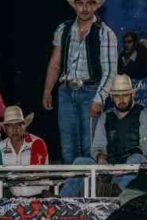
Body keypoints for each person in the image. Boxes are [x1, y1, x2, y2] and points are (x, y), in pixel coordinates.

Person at [43, 0, 117, 164]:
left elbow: (110, 71)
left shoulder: (105, 33)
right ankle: (74, 188)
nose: (85, 8)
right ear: (74, 5)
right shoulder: (64, 29)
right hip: (66, 91)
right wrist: (48, 90)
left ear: (96, 6)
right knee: (68, 147)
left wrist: (99, 98)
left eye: (90, 3)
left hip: (90, 91)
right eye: (80, 3)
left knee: (89, 146)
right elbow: (55, 63)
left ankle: (89, 188)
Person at [60, 75, 147, 197]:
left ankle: (118, 194)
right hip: (111, 166)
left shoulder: (146, 115)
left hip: (134, 169)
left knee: (137, 159)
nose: (121, 99)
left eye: (125, 95)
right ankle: (60, 199)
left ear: (132, 95)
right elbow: (97, 147)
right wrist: (100, 156)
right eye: (117, 95)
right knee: (80, 162)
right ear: (111, 97)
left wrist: (123, 164)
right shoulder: (105, 117)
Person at [0, 106, 50, 197]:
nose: (15, 129)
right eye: (10, 125)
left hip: (39, 197)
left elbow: (35, 173)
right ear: (5, 129)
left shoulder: (37, 143)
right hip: (15, 199)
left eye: (18, 125)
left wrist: (9, 176)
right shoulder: (0, 146)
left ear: (24, 126)